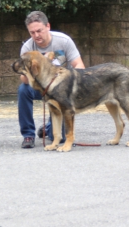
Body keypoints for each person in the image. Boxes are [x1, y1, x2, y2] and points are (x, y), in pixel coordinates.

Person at [18, 11, 85, 149]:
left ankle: (48, 128)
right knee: (23, 90)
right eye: (32, 32)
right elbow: (23, 78)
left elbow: (80, 66)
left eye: (39, 31)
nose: (36, 35)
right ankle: (28, 135)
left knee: (58, 138)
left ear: (48, 26)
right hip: (40, 88)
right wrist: (32, 74)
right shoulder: (28, 48)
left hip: (61, 90)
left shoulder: (64, 41)